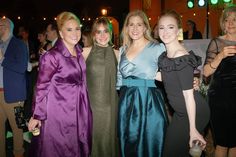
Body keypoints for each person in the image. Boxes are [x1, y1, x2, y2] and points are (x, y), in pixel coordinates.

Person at [28, 11, 92, 157]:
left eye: (77, 28)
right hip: (58, 112)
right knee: (58, 148)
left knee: (75, 146)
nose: (75, 33)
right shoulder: (52, 56)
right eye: (69, 29)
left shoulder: (79, 53)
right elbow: (41, 87)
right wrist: (37, 115)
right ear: (61, 34)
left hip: (78, 108)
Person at [156, 10, 210, 157]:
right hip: (182, 112)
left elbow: (188, 96)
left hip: (192, 112)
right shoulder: (167, 54)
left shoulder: (181, 56)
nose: (165, 31)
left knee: (171, 152)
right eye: (162, 27)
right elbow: (168, 77)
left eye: (170, 27)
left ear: (178, 30)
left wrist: (193, 129)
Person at [116, 10, 168, 157]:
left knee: (150, 143)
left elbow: (170, 73)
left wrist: (189, 81)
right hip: (126, 103)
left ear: (146, 27)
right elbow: (119, 81)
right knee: (128, 143)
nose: (135, 28)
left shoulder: (157, 48)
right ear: (126, 28)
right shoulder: (122, 50)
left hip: (149, 102)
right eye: (131, 25)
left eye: (139, 24)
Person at [82, 17, 119, 157]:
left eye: (106, 31)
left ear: (110, 33)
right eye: (98, 32)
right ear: (93, 34)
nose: (102, 35)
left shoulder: (118, 54)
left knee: (110, 141)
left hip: (112, 106)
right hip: (92, 107)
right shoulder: (85, 52)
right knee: (94, 141)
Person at [203, 6, 236, 157]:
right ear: (223, 23)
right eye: (227, 20)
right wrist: (220, 55)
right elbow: (205, 72)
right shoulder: (217, 43)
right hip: (220, 98)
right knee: (222, 144)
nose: (230, 23)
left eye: (234, 19)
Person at [0, 18, 28, 157]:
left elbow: (22, 67)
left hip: (13, 95)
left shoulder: (19, 44)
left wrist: (2, 59)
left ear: (6, 27)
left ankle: (18, 154)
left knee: (17, 129)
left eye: (0, 24)